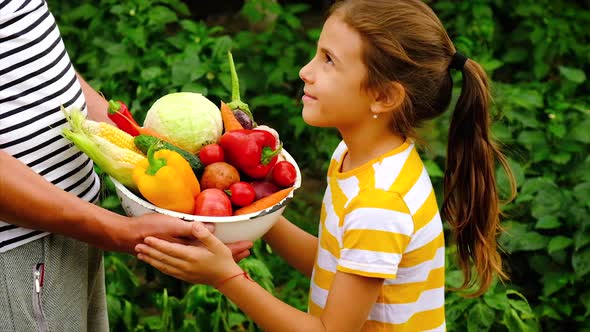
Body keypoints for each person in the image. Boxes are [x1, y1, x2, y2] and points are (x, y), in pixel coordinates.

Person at [134, 0, 517, 331]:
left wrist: (226, 277)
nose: (306, 70)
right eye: (318, 53)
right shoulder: (358, 157)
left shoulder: (380, 204)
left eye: (329, 60)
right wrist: (251, 215)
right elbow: (334, 263)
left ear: (384, 96)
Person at [0, 1, 252, 331]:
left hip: (72, 226)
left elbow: (27, 55)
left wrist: (141, 143)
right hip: (19, 249)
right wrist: (123, 232)